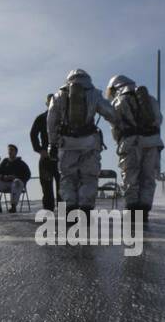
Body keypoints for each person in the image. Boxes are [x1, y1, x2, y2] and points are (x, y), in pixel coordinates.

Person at [46, 69, 117, 215]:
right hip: (89, 142)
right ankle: (85, 210)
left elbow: (51, 121)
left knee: (67, 177)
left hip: (66, 143)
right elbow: (110, 113)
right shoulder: (94, 93)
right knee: (89, 177)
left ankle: (70, 209)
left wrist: (51, 144)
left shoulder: (58, 95)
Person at [105, 75, 164, 221]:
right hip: (152, 142)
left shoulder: (118, 101)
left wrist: (121, 140)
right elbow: (159, 120)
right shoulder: (150, 99)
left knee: (131, 178)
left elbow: (115, 126)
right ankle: (144, 213)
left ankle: (132, 213)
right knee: (148, 178)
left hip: (131, 143)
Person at [29, 94, 59, 211]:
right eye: (50, 101)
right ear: (47, 104)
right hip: (46, 158)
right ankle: (48, 212)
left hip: (61, 158)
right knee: (46, 187)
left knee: (62, 187)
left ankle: (63, 213)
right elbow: (33, 134)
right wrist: (39, 149)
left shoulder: (62, 118)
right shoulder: (41, 118)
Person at [0, 145, 31, 213]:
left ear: (16, 152)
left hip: (16, 184)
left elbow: (28, 174)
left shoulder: (21, 163)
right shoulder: (5, 162)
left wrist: (16, 178)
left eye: (12, 150)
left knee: (16, 182)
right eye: (9, 150)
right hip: (5, 183)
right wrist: (3, 177)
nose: (10, 152)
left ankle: (13, 207)